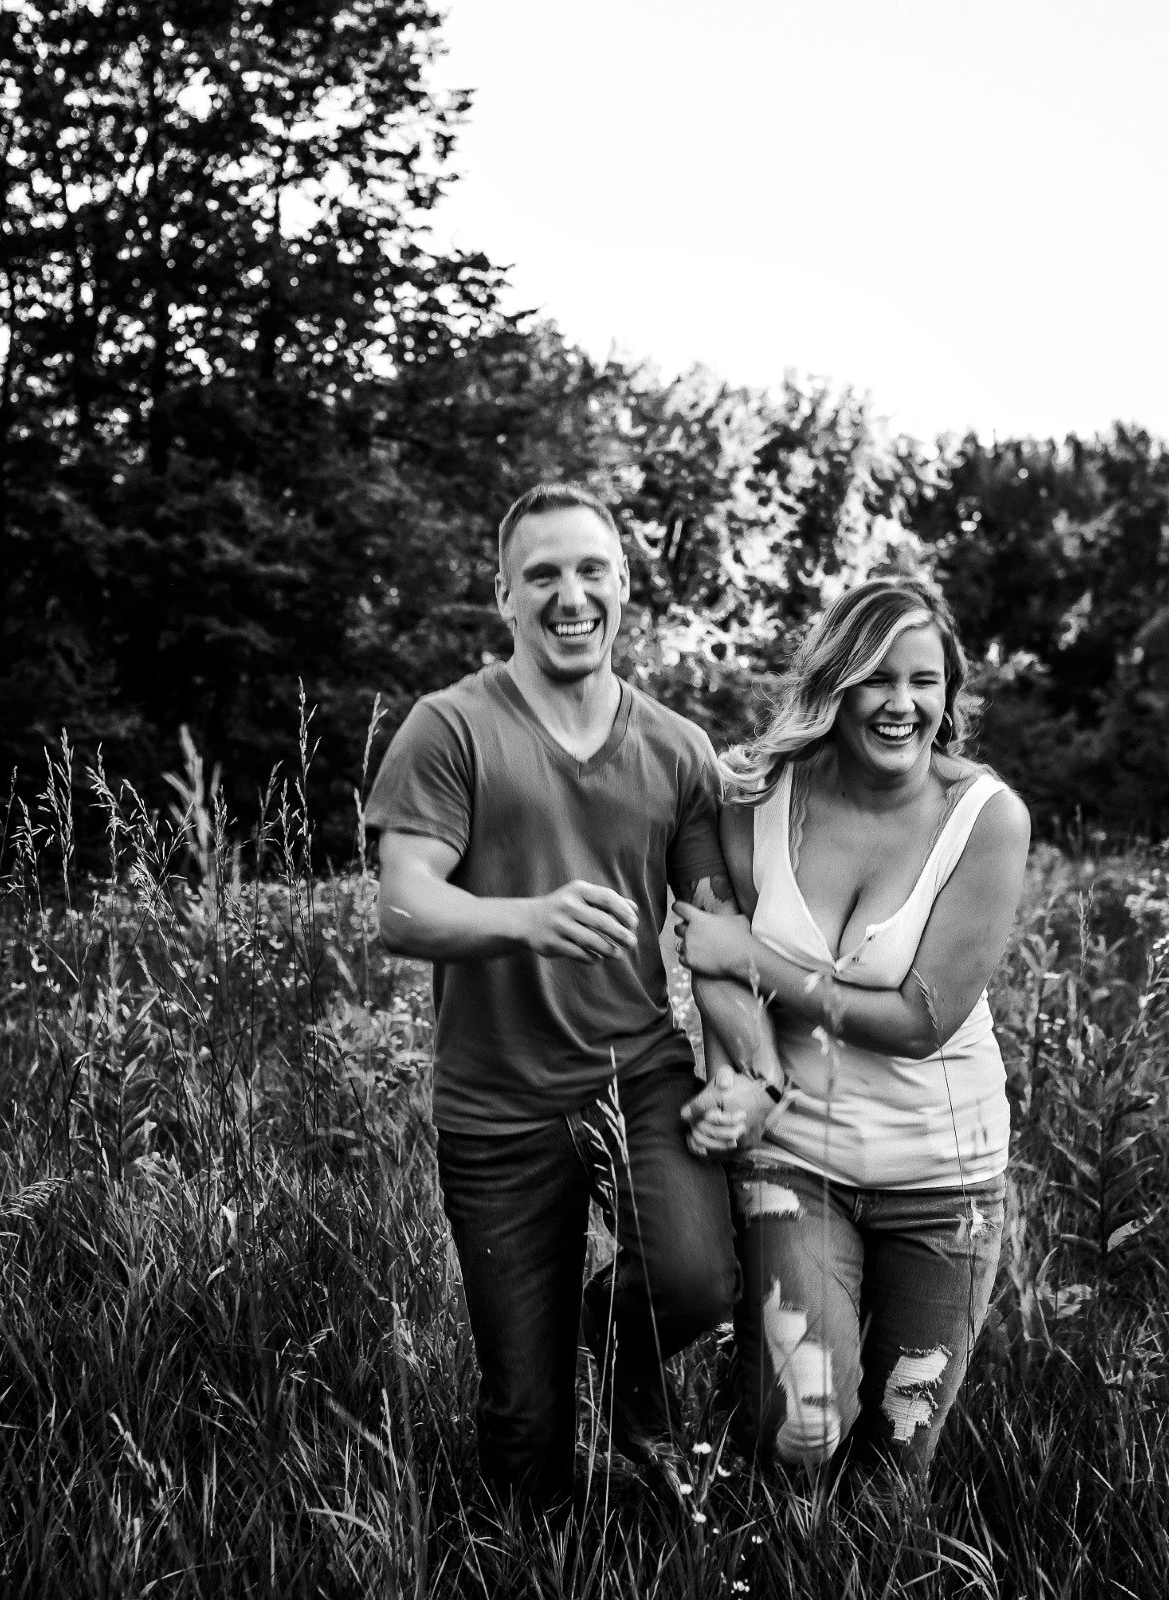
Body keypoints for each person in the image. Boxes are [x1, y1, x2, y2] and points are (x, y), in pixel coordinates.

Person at [364, 482, 771, 1509]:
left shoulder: (678, 750)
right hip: (496, 1105)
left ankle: (607, 1351)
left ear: (624, 586)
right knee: (523, 1436)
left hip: (636, 1073)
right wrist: (527, 918)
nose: (570, 593)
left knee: (696, 1281)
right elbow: (403, 909)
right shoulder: (449, 728)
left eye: (591, 570)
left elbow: (716, 942)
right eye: (542, 574)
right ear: (504, 595)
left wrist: (744, 1074)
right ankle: (530, 1543)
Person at [672, 577, 1030, 1491]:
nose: (901, 704)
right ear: (835, 683)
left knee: (896, 1456)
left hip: (945, 1179)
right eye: (876, 679)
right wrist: (740, 1074)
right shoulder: (754, 793)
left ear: (949, 697)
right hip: (796, 1157)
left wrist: (758, 955)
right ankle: (756, 1520)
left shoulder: (984, 819)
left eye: (925, 681)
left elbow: (918, 1019)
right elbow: (709, 957)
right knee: (799, 1426)